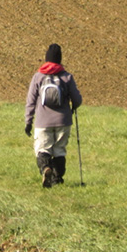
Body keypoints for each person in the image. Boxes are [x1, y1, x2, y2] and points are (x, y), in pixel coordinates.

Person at [24, 44, 82, 188]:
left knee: (43, 149)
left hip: (43, 122)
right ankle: (57, 179)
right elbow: (77, 99)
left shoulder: (38, 77)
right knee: (59, 150)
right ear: (59, 59)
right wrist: (73, 107)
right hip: (63, 121)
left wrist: (28, 122)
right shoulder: (67, 76)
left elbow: (30, 101)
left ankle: (45, 169)